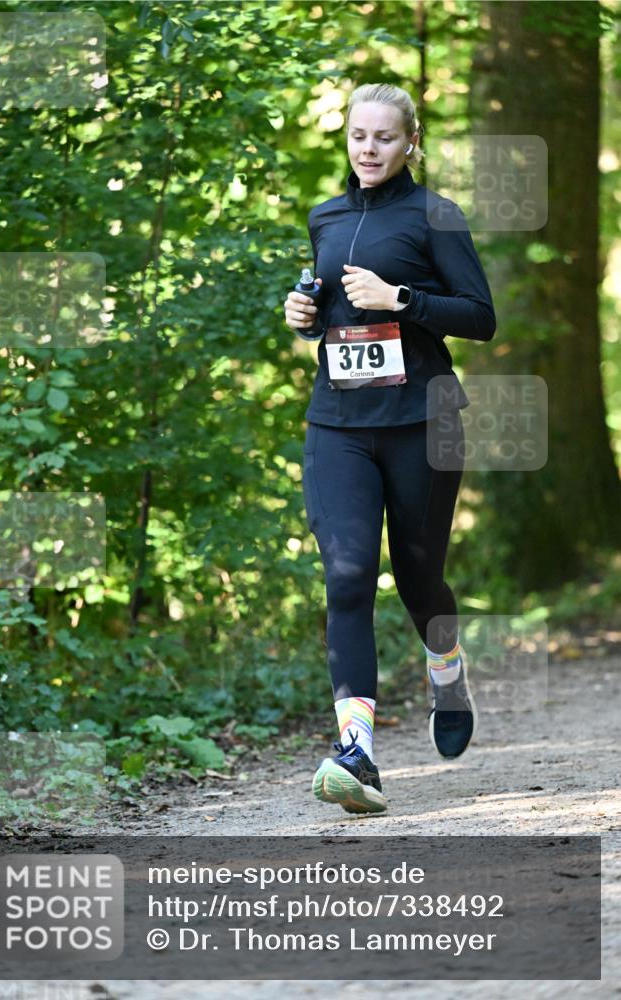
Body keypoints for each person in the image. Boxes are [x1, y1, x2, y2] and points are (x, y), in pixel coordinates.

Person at [283, 82, 496, 816]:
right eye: (356, 137)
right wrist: (304, 313)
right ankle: (358, 754)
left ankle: (445, 669)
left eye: (382, 137)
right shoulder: (326, 215)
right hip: (338, 424)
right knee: (345, 577)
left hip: (421, 421)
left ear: (410, 142)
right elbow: (332, 318)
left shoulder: (434, 215)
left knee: (416, 575)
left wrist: (400, 298)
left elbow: (480, 317)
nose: (367, 149)